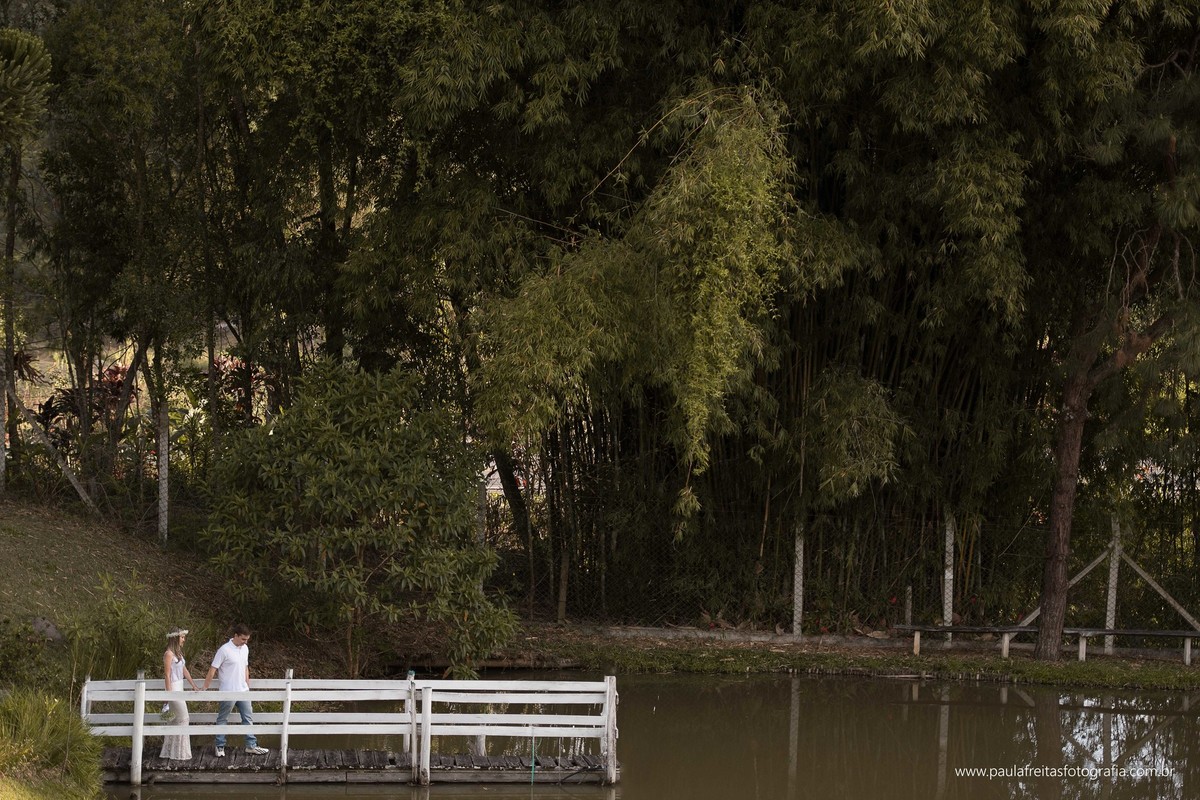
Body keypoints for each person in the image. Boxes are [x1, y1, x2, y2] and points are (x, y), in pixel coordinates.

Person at [202, 624, 269, 757]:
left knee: (248, 718)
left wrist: (247, 685)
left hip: (243, 691)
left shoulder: (245, 648)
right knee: (223, 718)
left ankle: (251, 745)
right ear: (236, 636)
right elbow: (213, 669)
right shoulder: (224, 650)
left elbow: (245, 667)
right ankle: (220, 746)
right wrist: (205, 688)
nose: (246, 642)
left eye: (247, 639)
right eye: (243, 639)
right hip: (228, 691)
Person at [160, 627, 200, 760]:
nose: (184, 639)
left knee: (175, 720)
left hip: (180, 687)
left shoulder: (179, 654)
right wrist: (168, 694)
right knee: (184, 717)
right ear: (175, 638)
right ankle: (180, 752)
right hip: (173, 688)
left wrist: (193, 685)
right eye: (182, 637)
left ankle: (171, 752)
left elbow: (184, 671)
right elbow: (167, 674)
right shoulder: (168, 654)